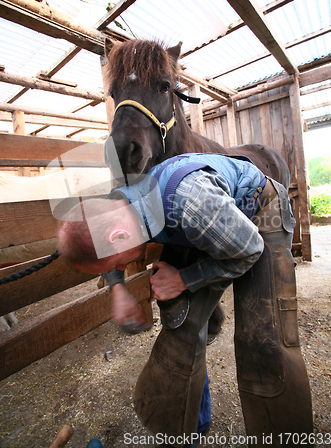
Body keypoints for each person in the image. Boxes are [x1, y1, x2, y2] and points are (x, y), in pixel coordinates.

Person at [58, 153, 313, 448]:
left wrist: (183, 279)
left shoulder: (191, 204)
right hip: (206, 222)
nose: (116, 271)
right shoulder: (117, 203)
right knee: (181, 320)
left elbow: (249, 250)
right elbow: (105, 245)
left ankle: (285, 439)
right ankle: (190, 428)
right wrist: (118, 288)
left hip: (259, 210)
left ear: (119, 236)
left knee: (265, 336)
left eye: (113, 266)